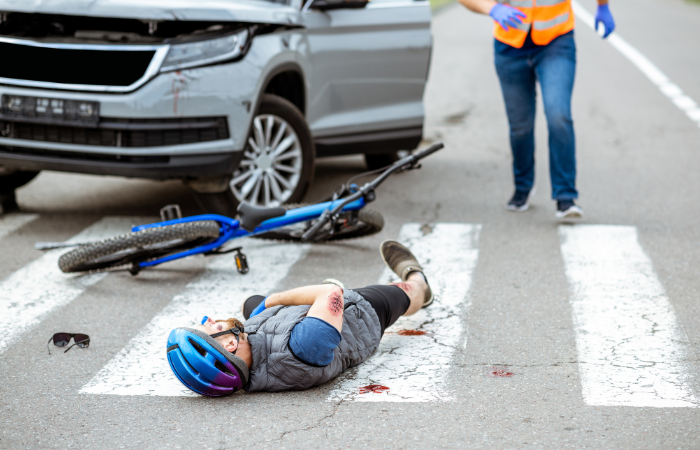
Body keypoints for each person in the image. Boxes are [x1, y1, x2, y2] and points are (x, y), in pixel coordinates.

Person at [166, 240, 434, 396]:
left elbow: (258, 322)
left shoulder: (251, 347)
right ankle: (418, 279)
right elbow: (333, 293)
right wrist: (277, 298)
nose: (210, 321)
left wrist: (262, 308)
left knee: (249, 304)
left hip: (276, 329)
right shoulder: (302, 348)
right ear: (229, 346)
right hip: (361, 316)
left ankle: (319, 311)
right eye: (210, 328)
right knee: (405, 294)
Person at [458, 0, 616, 219]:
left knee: (558, 115)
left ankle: (565, 197)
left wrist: (602, 6)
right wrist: (492, 8)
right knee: (520, 126)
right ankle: (523, 186)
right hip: (509, 46)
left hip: (556, 41)